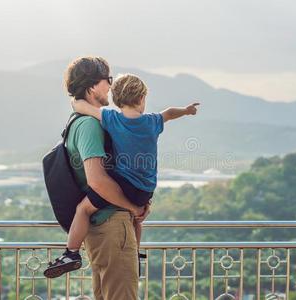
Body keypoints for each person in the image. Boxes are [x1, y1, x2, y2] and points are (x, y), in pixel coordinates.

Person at [44, 57, 149, 300]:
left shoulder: (79, 121)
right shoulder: (90, 125)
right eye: (107, 81)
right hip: (112, 226)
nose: (110, 87)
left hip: (101, 227)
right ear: (92, 86)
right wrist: (133, 206)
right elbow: (98, 181)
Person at [66, 73, 199, 252]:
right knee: (137, 218)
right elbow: (169, 112)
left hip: (124, 184)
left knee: (83, 209)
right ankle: (134, 252)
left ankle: (71, 252)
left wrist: (75, 102)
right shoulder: (153, 121)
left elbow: (82, 107)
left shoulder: (112, 119)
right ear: (142, 98)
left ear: (117, 99)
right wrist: (186, 110)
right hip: (146, 189)